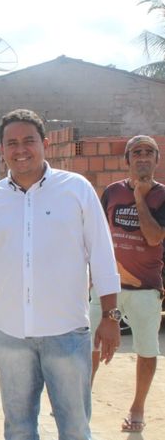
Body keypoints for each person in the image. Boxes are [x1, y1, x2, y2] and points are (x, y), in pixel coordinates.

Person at [0, 109, 121, 440]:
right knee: (18, 428)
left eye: (29, 141)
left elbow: (102, 255)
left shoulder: (75, 189)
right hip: (11, 336)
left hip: (67, 332)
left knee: (75, 429)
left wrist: (110, 316)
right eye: (12, 143)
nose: (21, 150)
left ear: (45, 143)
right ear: (2, 149)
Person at [90, 134, 165, 433]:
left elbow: (154, 238)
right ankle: (81, 397)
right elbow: (98, 234)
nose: (142, 157)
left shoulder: (162, 196)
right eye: (136, 152)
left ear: (157, 159)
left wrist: (139, 197)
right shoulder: (111, 192)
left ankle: (137, 408)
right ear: (127, 160)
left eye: (149, 152)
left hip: (145, 288)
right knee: (90, 344)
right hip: (107, 285)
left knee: (146, 349)